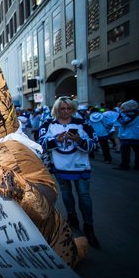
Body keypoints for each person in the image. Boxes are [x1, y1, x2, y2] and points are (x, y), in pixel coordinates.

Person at [38, 96, 100, 248]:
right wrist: (56, 140)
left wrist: (79, 140)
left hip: (81, 167)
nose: (65, 111)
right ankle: (72, 218)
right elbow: (41, 144)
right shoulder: (48, 124)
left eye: (69, 108)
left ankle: (88, 226)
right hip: (60, 167)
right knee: (66, 194)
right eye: (62, 108)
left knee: (84, 196)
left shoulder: (82, 123)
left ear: (73, 109)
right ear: (56, 109)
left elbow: (95, 144)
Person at [113, 100, 139, 171]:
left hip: (128, 135)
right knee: (138, 151)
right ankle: (138, 166)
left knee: (125, 151)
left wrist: (120, 116)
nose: (122, 109)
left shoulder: (131, 114)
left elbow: (124, 123)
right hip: (137, 135)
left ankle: (125, 165)